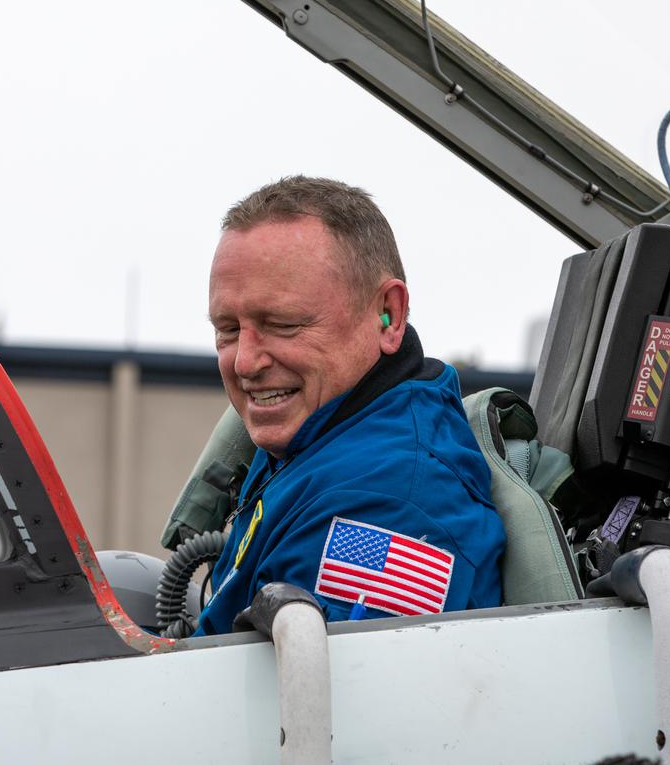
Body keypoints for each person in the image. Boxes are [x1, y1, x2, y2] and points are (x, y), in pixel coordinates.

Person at [193, 175, 506, 636]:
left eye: (282, 324)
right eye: (228, 329)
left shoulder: (384, 508)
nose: (245, 362)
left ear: (388, 315)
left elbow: (314, 701)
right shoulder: (318, 432)